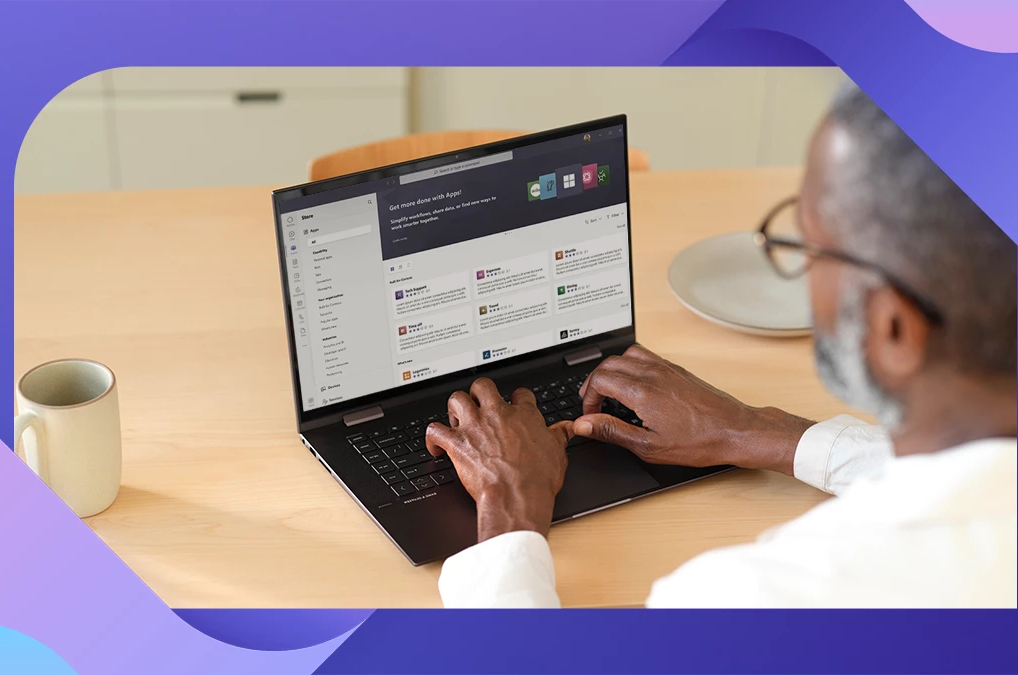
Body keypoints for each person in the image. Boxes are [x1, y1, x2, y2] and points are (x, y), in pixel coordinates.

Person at [427, 86, 1017, 608]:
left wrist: (508, 515)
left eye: (808, 245)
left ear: (893, 329)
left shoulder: (758, 598)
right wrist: (753, 430)